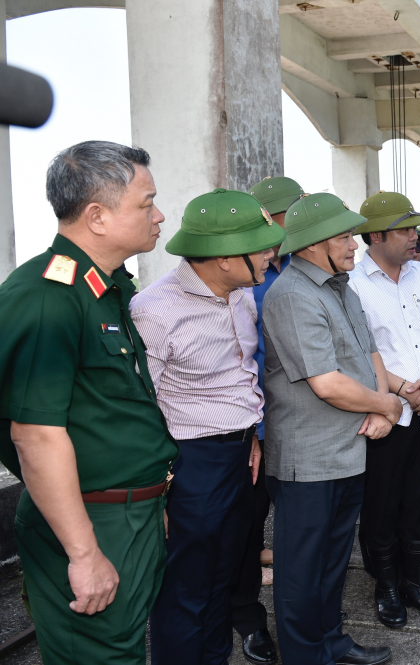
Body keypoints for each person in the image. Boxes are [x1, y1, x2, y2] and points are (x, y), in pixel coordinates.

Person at [0, 141, 177, 665]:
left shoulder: (106, 287)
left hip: (129, 512)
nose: (159, 215)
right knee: (99, 656)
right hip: (91, 520)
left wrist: (148, 499)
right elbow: (33, 435)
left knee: (119, 649)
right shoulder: (47, 296)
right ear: (97, 216)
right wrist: (82, 552)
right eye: (146, 204)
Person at [133, 188, 281, 665]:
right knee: (185, 586)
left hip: (240, 455)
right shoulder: (156, 310)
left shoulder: (239, 296)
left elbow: (240, 373)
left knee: (223, 576)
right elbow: (141, 406)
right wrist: (160, 487)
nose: (269, 253)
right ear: (221, 258)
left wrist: (250, 434)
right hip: (190, 462)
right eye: (258, 245)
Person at [262, 192, 398, 665]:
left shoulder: (340, 287)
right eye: (343, 236)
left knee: (333, 563)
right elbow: (327, 383)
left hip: (348, 448)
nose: (353, 245)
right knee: (302, 570)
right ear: (312, 243)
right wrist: (389, 404)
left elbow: (370, 355)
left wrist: (383, 411)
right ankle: (304, 656)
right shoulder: (292, 296)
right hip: (309, 457)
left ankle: (332, 642)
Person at [349, 192, 420, 628]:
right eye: (405, 229)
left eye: (415, 229)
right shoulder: (354, 283)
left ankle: (418, 581)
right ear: (375, 235)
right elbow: (363, 350)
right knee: (381, 504)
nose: (415, 237)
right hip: (390, 411)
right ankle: (387, 585)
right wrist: (404, 389)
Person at [224, 175, 304, 665]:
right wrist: (253, 432)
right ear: (272, 219)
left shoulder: (306, 268)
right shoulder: (240, 280)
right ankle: (248, 620)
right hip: (257, 428)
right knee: (247, 531)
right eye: (293, 212)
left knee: (301, 529)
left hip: (303, 424)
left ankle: (307, 620)